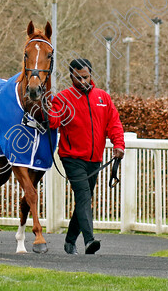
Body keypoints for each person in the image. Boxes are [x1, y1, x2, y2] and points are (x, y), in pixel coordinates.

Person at [49, 58, 125, 255]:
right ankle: (89, 240)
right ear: (71, 76)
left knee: (84, 200)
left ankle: (69, 241)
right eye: (78, 77)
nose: (83, 81)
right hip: (72, 157)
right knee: (83, 196)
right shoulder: (63, 98)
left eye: (86, 77)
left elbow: (114, 123)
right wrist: (44, 108)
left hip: (94, 159)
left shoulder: (103, 98)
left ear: (90, 75)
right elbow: (53, 122)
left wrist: (119, 144)